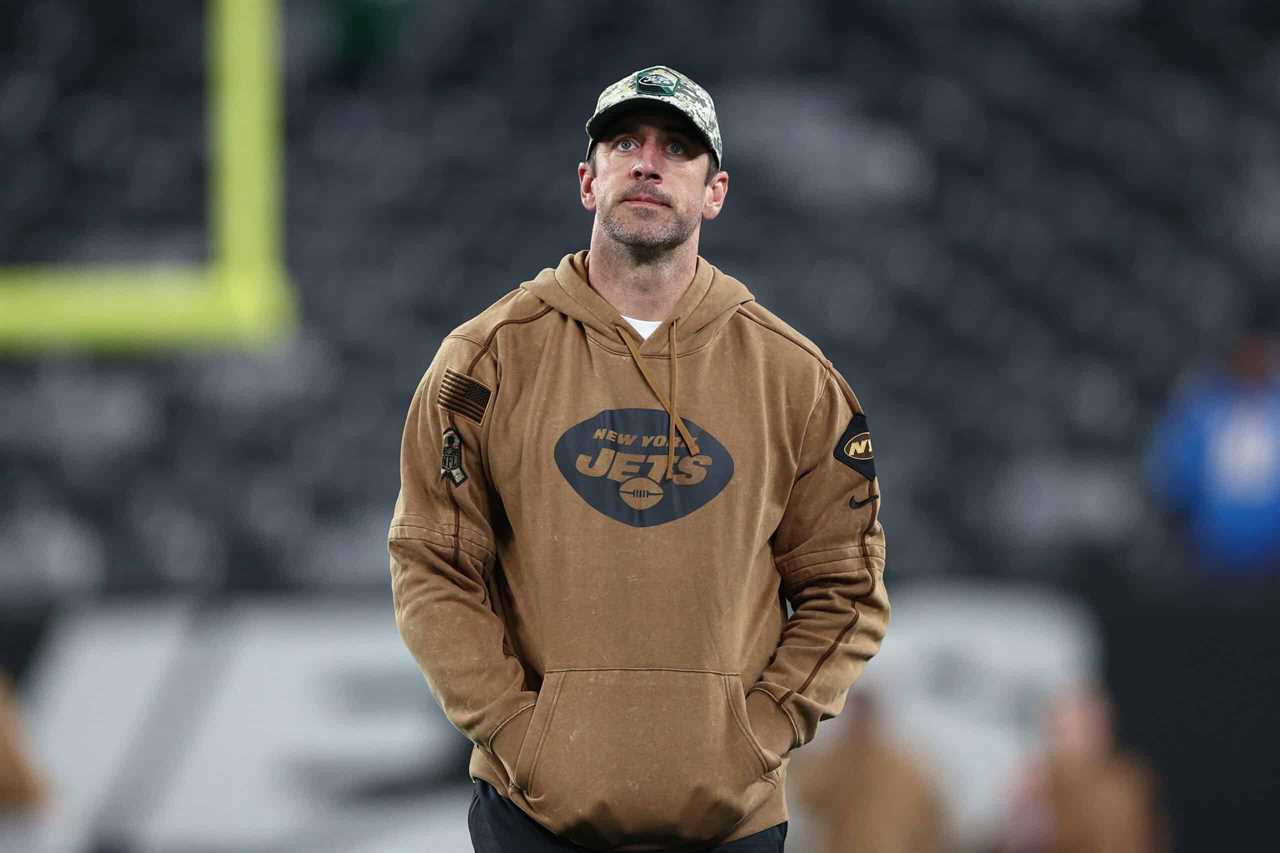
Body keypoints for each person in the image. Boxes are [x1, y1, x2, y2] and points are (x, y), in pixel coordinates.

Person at [388, 65, 889, 852]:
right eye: (626, 142)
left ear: (714, 191)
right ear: (588, 181)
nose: (649, 162)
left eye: (678, 148)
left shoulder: (797, 379)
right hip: (533, 816)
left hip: (731, 823)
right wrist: (521, 733)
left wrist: (760, 733)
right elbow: (431, 566)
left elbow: (846, 586)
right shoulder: (481, 364)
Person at [992, 684, 1168, 853]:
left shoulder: (1126, 784)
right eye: (1060, 731)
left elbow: (1127, 842)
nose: (1067, 741)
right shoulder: (1039, 779)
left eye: (1079, 728)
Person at [788, 690, 946, 853]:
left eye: (862, 716)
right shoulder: (835, 761)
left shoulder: (905, 770)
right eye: (853, 716)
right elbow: (806, 798)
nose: (858, 723)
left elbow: (931, 821)